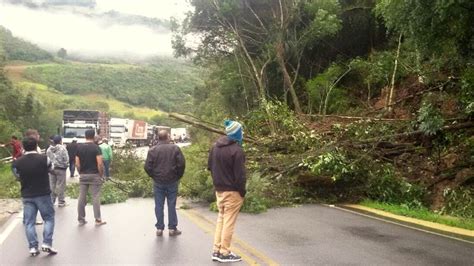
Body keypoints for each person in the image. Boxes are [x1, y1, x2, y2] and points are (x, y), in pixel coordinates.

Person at [208, 120, 246, 263]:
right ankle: (224, 252)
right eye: (241, 131)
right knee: (228, 222)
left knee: (221, 220)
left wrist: (217, 184)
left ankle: (216, 250)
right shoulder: (237, 150)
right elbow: (240, 176)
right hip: (233, 192)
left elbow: (210, 167)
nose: (242, 134)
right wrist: (242, 192)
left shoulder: (215, 147)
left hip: (219, 190)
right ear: (237, 133)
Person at [12, 137, 58, 256]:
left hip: (27, 194)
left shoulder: (18, 162)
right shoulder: (44, 159)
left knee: (29, 222)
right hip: (43, 193)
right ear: (36, 145)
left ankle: (33, 247)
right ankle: (47, 243)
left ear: (23, 147)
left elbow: (17, 176)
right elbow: (52, 169)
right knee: (48, 218)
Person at [144, 130, 185, 237]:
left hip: (158, 181)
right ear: (167, 137)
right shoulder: (175, 148)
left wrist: (153, 175)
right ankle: (172, 228)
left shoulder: (152, 150)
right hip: (172, 180)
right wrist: (178, 176)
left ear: (158, 138)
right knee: (171, 204)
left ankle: (159, 228)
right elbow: (181, 164)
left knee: (158, 205)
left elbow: (147, 167)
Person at [76, 129, 106, 226]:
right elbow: (100, 164)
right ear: (94, 136)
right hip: (94, 175)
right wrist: (101, 175)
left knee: (81, 197)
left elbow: (77, 163)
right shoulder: (96, 148)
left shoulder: (79, 147)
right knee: (95, 197)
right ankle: (97, 220)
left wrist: (80, 172)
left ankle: (81, 219)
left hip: (83, 175)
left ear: (85, 136)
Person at [46, 135, 69, 207]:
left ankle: (51, 201)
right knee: (61, 185)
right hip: (61, 169)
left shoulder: (49, 149)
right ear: (60, 141)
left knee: (52, 185)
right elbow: (66, 158)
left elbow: (47, 159)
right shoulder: (63, 148)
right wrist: (66, 165)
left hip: (51, 169)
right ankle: (61, 201)